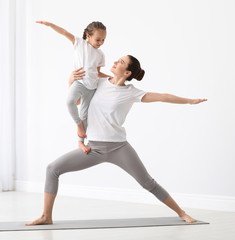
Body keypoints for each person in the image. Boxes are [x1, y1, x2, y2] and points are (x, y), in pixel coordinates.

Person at [26, 55, 207, 226]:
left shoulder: (131, 92)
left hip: (119, 148)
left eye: (120, 62)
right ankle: (46, 216)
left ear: (127, 73)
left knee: (147, 183)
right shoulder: (98, 83)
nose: (115, 62)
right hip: (93, 149)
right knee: (52, 169)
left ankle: (182, 213)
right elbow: (78, 102)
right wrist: (70, 81)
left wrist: (189, 101)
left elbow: (163, 97)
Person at [36, 21, 110, 154]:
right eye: (98, 39)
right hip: (79, 82)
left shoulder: (100, 54)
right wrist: (49, 25)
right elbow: (64, 32)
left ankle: (81, 143)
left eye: (103, 40)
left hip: (92, 88)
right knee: (70, 101)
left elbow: (97, 73)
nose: (101, 42)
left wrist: (110, 78)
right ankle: (78, 126)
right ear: (88, 36)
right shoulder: (79, 43)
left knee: (85, 115)